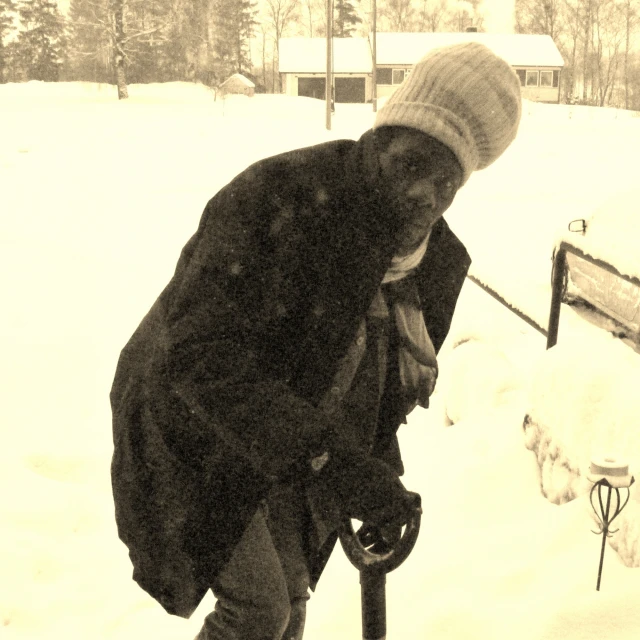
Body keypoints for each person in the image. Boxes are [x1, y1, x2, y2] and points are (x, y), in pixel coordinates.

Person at [110, 41, 522, 640]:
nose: (425, 195)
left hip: (288, 439)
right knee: (258, 610)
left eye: (446, 181)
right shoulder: (279, 198)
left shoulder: (434, 265)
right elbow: (199, 356)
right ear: (379, 139)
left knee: (294, 595)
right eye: (411, 163)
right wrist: (330, 462)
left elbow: (382, 393)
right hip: (191, 425)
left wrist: (378, 474)